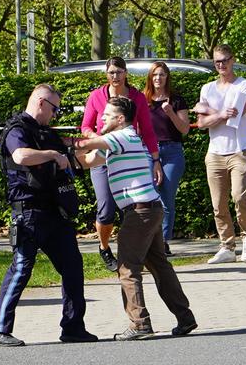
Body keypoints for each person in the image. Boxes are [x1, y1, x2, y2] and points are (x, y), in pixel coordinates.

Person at [76, 95, 197, 341]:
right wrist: (60, 156)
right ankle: (185, 318)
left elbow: (85, 143)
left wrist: (63, 143)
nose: (101, 119)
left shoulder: (122, 136)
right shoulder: (123, 141)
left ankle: (140, 324)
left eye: (107, 116)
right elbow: (87, 161)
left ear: (120, 119)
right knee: (160, 266)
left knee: (127, 267)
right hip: (150, 210)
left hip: (139, 213)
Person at [0, 85, 99, 348]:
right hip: (28, 212)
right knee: (21, 268)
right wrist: (52, 155)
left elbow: (73, 157)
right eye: (54, 109)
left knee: (73, 266)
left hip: (55, 212)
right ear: (40, 102)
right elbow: (20, 156)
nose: (55, 114)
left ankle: (73, 327)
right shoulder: (17, 130)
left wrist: (105, 149)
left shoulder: (47, 133)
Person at [81, 56, 160, 275]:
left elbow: (147, 130)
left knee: (132, 209)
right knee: (106, 209)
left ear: (126, 73)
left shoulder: (137, 97)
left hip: (127, 156)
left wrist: (155, 160)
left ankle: (132, 255)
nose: (115, 76)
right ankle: (104, 247)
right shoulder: (96, 96)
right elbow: (85, 126)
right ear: (106, 74)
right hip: (103, 155)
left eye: (119, 72)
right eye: (111, 72)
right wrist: (97, 138)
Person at [194, 43, 246, 264]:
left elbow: (235, 118)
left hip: (240, 150)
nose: (221, 65)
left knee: (239, 196)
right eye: (217, 61)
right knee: (218, 204)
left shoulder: (245, 85)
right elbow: (201, 123)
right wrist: (220, 114)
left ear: (233, 60)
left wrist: (210, 112)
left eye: (224, 60)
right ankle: (227, 246)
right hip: (215, 153)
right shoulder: (207, 88)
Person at [143, 60, 191, 244]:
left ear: (167, 77)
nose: (158, 78)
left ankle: (163, 243)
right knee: (149, 196)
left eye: (162, 74)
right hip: (149, 152)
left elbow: (184, 129)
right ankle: (150, 241)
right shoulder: (143, 100)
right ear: (150, 77)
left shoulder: (176, 100)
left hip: (172, 152)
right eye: (155, 74)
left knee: (167, 198)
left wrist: (171, 113)